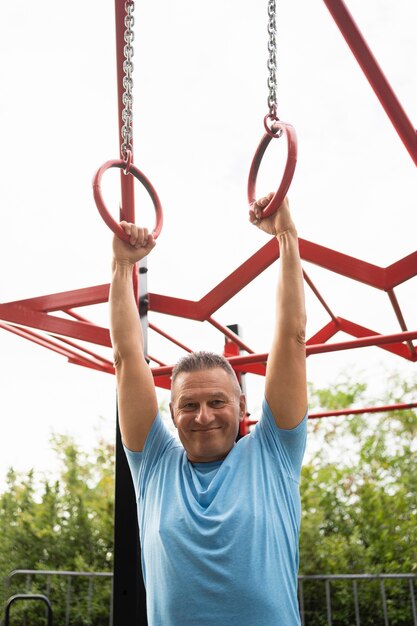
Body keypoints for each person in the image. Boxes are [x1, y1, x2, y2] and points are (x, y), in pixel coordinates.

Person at [110, 194, 308, 626]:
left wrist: (286, 237)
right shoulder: (155, 464)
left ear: (241, 406)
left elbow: (292, 337)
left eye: (217, 402)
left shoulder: (272, 453)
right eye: (189, 405)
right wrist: (123, 266)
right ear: (172, 411)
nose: (204, 416)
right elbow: (127, 357)